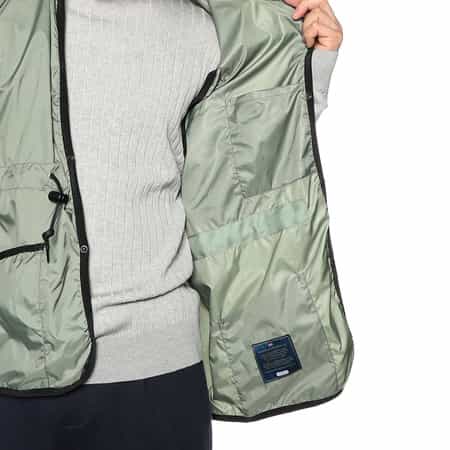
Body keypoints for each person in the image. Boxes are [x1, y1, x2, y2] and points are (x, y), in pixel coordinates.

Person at [0, 0, 344, 449]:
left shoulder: (200, 28)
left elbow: (253, 154)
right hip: (18, 362)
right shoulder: (13, 25)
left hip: (163, 372)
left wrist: (311, 61)